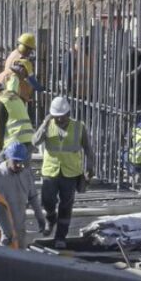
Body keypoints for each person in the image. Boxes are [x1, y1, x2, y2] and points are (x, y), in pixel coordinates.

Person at [33, 96, 96, 249]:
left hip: (71, 173)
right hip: (50, 171)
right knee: (47, 201)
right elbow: (35, 142)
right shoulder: (48, 124)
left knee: (66, 206)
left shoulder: (78, 127)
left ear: (68, 113)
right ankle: (51, 218)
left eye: (62, 116)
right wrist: (44, 124)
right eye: (56, 116)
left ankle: (60, 236)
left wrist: (90, 168)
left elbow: (88, 149)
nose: (59, 119)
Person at [0, 142, 45, 248]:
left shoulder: (26, 174)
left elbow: (33, 197)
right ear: (7, 158)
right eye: (15, 161)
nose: (19, 165)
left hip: (19, 229)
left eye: (21, 162)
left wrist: (40, 217)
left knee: (20, 257)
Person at [0, 81, 35, 167]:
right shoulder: (16, 98)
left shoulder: (0, 101)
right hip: (29, 140)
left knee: (0, 166)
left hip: (15, 140)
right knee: (23, 170)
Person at [0, 33, 37, 103]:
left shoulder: (14, 53)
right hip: (13, 94)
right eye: (30, 50)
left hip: (6, 91)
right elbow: (26, 81)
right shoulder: (20, 60)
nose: (30, 52)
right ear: (24, 48)